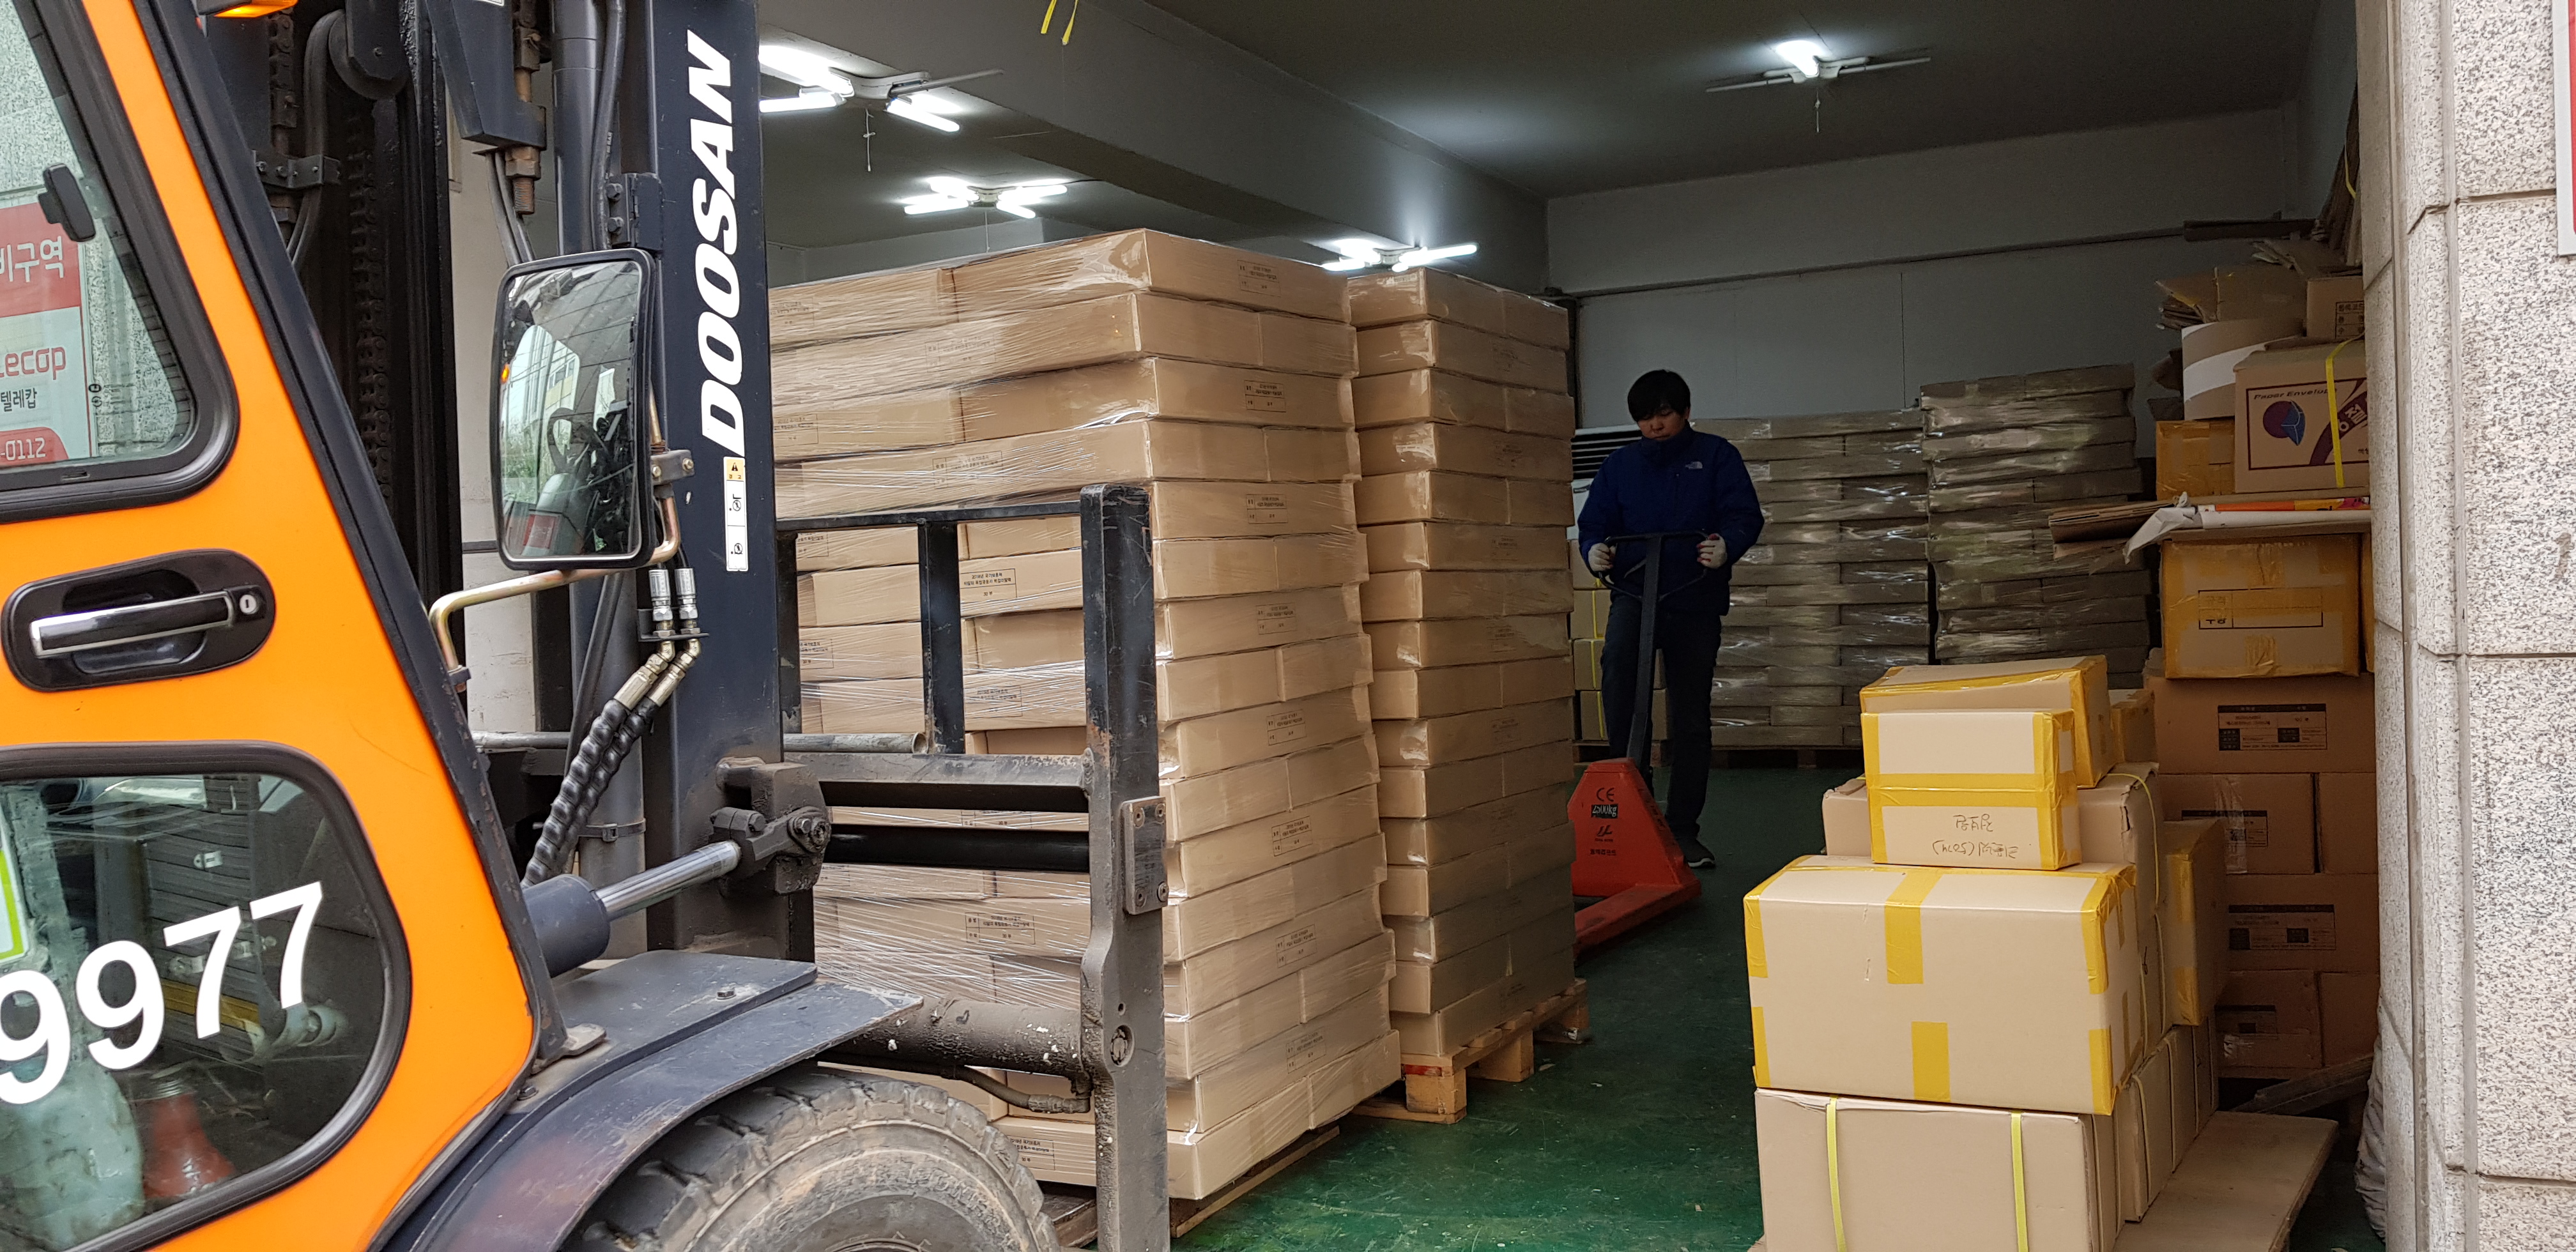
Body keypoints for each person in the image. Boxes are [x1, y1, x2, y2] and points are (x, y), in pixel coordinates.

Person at [1575, 369, 1764, 869]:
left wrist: (1727, 546)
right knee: (1619, 679)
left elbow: (1744, 515)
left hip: (1693, 596)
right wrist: (1593, 550)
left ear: (1685, 411)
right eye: (1645, 418)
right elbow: (1594, 523)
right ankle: (1633, 810)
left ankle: (1682, 829)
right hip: (1635, 594)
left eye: (1663, 415)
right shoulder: (1620, 465)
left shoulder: (1717, 456)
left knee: (1690, 714)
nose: (1655, 426)